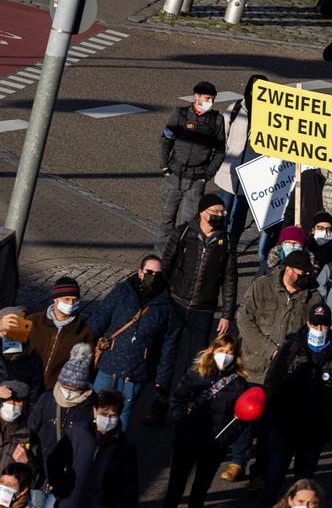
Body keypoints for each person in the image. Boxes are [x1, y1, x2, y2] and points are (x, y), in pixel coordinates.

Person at [258, 304, 332, 508]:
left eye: (324, 326)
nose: (319, 330)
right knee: (273, 478)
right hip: (285, 426)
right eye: (315, 325)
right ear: (308, 323)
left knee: (304, 486)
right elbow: (272, 382)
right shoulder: (292, 348)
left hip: (315, 430)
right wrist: (273, 416)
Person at [87, 254, 180, 430]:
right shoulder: (122, 292)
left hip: (135, 375)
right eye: (149, 272)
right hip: (108, 367)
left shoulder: (167, 308)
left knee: (121, 420)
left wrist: (162, 383)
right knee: (95, 413)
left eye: (157, 274)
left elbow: (168, 351)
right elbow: (98, 320)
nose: (153, 277)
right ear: (140, 272)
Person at [159, 193, 238, 396]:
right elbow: (166, 264)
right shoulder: (184, 233)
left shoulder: (226, 241)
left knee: (197, 357)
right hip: (176, 301)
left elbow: (229, 279)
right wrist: (160, 297)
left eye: (222, 211)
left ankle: (185, 397)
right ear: (203, 213)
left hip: (204, 308)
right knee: (168, 352)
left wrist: (227, 314)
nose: (221, 215)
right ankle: (160, 398)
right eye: (216, 212)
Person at [162, 334, 250, 508]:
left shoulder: (239, 385)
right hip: (187, 439)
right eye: (221, 350)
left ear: (236, 356)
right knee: (175, 488)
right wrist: (182, 425)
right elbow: (177, 401)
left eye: (229, 352)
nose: (225, 355)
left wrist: (222, 442)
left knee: (200, 491)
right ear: (213, 351)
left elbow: (239, 420)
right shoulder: (196, 374)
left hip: (214, 446)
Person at [156, 81, 226, 250]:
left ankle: (182, 257)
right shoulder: (180, 114)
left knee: (189, 224)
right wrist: (164, 166)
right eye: (207, 98)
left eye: (213, 99)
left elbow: (220, 151)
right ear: (196, 96)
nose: (211, 102)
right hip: (174, 175)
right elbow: (166, 140)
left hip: (196, 180)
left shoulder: (216, 120)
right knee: (166, 219)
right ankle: (161, 257)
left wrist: (206, 176)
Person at [44, 390, 138, 508]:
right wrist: (60, 487)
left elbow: (129, 487)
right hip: (69, 502)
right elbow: (54, 460)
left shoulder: (124, 446)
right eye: (104, 414)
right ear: (94, 411)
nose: (108, 419)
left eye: (112, 415)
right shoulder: (77, 433)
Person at [28, 342, 93, 508]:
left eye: (74, 389)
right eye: (65, 387)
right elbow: (32, 427)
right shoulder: (47, 398)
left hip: (66, 474)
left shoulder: (89, 406)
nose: (69, 392)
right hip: (40, 470)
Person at [212, 74, 268, 247]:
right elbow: (221, 136)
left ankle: (232, 247)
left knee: (240, 214)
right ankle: (218, 245)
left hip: (252, 175)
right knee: (223, 212)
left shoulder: (270, 115)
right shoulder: (235, 109)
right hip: (228, 172)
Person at [27, 278, 93, 390]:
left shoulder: (84, 332)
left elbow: (84, 368)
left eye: (75, 300)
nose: (71, 304)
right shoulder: (34, 321)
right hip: (27, 385)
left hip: (55, 391)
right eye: (66, 299)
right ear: (55, 299)